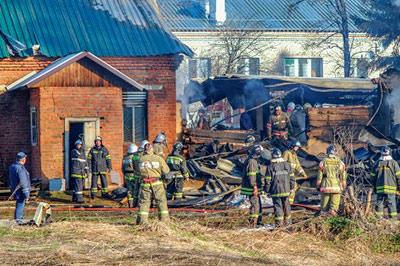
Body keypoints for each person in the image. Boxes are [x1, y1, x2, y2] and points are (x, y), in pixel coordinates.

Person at [137, 142, 171, 224]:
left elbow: (137, 172)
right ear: (152, 149)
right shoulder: (158, 158)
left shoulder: (140, 159)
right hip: (157, 183)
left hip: (144, 183)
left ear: (145, 150)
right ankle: (164, 221)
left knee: (144, 202)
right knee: (161, 202)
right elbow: (166, 171)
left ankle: (142, 221)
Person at [265, 148, 295, 226]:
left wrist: (267, 191)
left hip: (276, 191)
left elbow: (268, 181)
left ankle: (279, 225)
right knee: (286, 206)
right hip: (286, 190)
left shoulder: (270, 167)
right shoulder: (287, 165)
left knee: (278, 207)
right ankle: (288, 223)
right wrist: (292, 188)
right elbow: (292, 178)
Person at [371, 146, 400, 219]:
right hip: (391, 187)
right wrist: (399, 187)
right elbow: (398, 177)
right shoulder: (394, 163)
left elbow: (372, 176)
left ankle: (378, 218)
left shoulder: (377, 163)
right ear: (389, 153)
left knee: (379, 202)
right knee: (391, 203)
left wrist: (374, 186)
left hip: (379, 187)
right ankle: (393, 219)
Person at [317, 145, 346, 216]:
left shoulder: (323, 162)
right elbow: (343, 177)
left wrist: (318, 186)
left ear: (327, 152)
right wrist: (343, 186)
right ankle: (332, 221)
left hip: (325, 186)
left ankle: (323, 221)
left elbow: (319, 177)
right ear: (335, 152)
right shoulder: (340, 163)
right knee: (334, 208)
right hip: (337, 187)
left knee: (324, 208)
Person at [241, 145, 264, 227]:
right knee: (255, 205)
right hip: (252, 188)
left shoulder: (253, 160)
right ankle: (252, 223)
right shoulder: (251, 162)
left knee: (258, 204)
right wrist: (254, 186)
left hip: (255, 187)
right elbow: (252, 175)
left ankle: (258, 222)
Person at [8, 152, 31, 223]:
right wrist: (26, 194)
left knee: (19, 203)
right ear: (23, 159)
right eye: (25, 158)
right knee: (21, 204)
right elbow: (23, 182)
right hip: (20, 190)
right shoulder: (20, 168)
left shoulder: (12, 166)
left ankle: (17, 219)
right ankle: (18, 220)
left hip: (15, 188)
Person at [122, 144, 141, 208]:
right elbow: (137, 167)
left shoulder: (125, 157)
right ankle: (135, 204)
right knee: (135, 190)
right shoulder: (135, 157)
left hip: (127, 175)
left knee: (129, 190)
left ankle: (130, 204)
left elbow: (122, 168)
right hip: (134, 175)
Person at [71, 139, 88, 203]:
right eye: (78, 145)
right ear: (76, 145)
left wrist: (87, 172)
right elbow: (78, 155)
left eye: (80, 145)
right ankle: (79, 199)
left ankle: (74, 198)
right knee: (79, 186)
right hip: (76, 171)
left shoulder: (83, 153)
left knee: (77, 186)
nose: (79, 146)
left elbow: (85, 163)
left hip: (82, 172)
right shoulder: (74, 151)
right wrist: (83, 149)